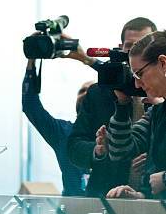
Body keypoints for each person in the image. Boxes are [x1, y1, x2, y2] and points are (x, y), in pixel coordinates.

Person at [67, 17, 157, 196]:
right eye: (131, 46)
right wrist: (98, 150)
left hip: (153, 195)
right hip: (106, 194)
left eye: (144, 48)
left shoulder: (160, 92)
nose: (136, 52)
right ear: (121, 48)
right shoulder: (98, 92)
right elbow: (74, 146)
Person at [105, 30, 166, 199]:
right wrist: (139, 197)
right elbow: (121, 152)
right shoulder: (158, 113)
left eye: (139, 74)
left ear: (163, 63)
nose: (137, 84)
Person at [22, 53, 94, 195]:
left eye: (91, 91)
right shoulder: (64, 132)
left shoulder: (116, 132)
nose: (85, 94)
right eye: (81, 91)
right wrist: (32, 60)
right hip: (71, 211)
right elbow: (31, 106)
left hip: (108, 210)